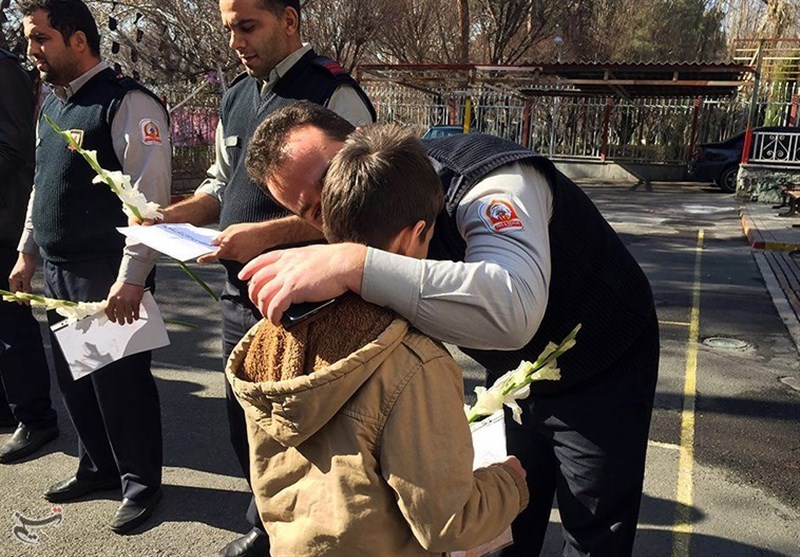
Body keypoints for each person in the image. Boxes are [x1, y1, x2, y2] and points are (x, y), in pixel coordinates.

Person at [240, 106, 660, 557]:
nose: (339, 214)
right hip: (513, 373)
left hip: (604, 362)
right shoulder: (377, 222)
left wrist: (356, 265)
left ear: (361, 140)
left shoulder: (488, 182)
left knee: (595, 528)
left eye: (330, 179)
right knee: (510, 514)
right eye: (313, 212)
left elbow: (513, 306)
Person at [225, 117, 528, 556]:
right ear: (416, 235)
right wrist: (508, 484)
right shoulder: (414, 363)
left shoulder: (270, 335)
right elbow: (446, 522)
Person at [151, 1, 375, 554]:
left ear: (290, 22)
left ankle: (316, 531)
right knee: (245, 420)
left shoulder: (332, 93)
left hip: (310, 298)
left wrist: (265, 237)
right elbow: (221, 184)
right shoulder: (235, 95)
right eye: (228, 29)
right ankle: (267, 521)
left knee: (308, 427)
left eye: (247, 27)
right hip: (238, 295)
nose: (235, 43)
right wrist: (177, 213)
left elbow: (366, 207)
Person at [13, 0, 170, 534]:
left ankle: (141, 485)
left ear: (78, 40)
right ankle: (99, 468)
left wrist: (131, 278)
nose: (31, 50)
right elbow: (42, 186)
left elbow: (147, 201)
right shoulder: (53, 106)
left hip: (106, 272)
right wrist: (26, 252)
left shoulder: (125, 102)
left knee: (119, 386)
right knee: (77, 382)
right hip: (58, 267)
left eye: (40, 39)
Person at [0, 46, 59, 464]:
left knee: (12, 326)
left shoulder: (4, 70)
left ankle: (36, 417)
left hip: (4, 221)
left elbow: (15, 149)